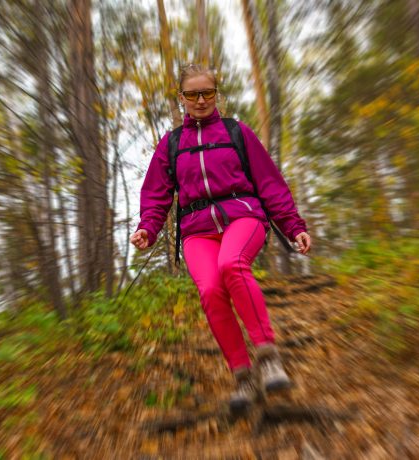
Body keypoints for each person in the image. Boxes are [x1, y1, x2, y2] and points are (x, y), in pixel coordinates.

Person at [130, 64, 311, 411]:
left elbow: (270, 183)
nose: (200, 100)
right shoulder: (171, 144)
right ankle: (243, 377)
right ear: (180, 97)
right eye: (193, 94)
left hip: (243, 215)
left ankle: (269, 357)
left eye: (208, 93)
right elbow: (156, 195)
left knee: (232, 264)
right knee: (210, 290)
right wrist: (147, 228)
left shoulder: (236, 132)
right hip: (198, 230)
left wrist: (294, 225)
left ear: (216, 94)